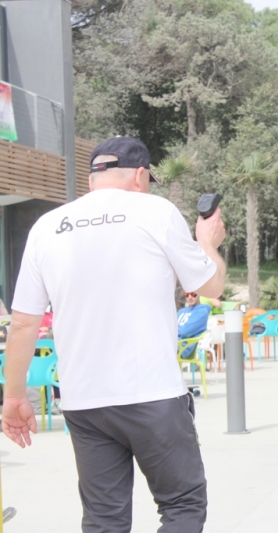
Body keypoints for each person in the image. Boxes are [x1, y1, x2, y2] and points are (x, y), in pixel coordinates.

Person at [1, 136, 226, 533]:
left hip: (84, 401)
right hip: (152, 394)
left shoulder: (46, 226)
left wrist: (15, 396)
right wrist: (208, 243)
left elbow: (22, 323)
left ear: (92, 178)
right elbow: (211, 286)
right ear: (140, 175)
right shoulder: (155, 211)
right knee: (182, 505)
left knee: (104, 521)